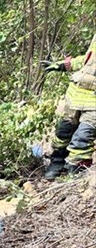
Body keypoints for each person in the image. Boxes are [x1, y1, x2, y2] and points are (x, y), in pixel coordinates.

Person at [42, 33, 96, 179]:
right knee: (63, 131)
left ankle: (76, 173)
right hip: (76, 93)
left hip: (94, 101)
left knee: (83, 136)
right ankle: (57, 163)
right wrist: (64, 65)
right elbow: (87, 61)